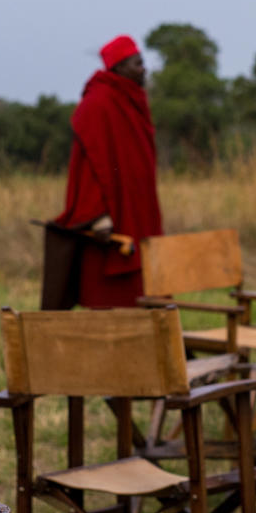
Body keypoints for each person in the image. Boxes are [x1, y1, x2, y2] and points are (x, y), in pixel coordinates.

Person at [52, 34, 163, 308]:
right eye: (137, 63)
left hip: (137, 213)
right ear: (119, 66)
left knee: (148, 297)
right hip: (111, 222)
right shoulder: (98, 102)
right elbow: (89, 165)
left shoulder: (132, 98)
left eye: (143, 62)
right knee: (111, 307)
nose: (143, 69)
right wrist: (97, 215)